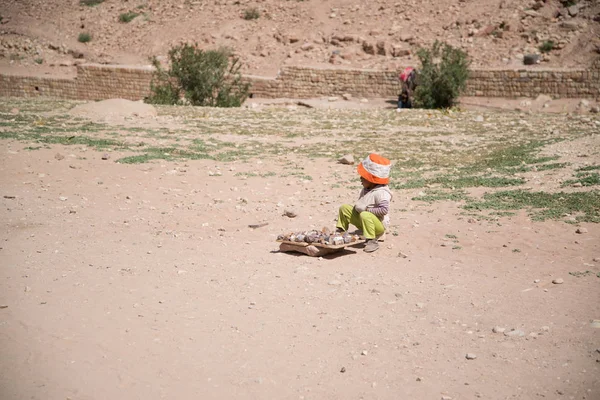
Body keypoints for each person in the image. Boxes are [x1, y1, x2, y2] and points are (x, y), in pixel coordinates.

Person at [336, 153, 393, 253]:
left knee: (365, 214)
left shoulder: (381, 192)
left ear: (372, 179)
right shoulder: (366, 189)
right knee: (344, 208)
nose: (360, 179)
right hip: (364, 221)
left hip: (377, 225)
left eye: (363, 177)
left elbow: (384, 210)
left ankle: (372, 240)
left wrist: (366, 209)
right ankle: (340, 231)